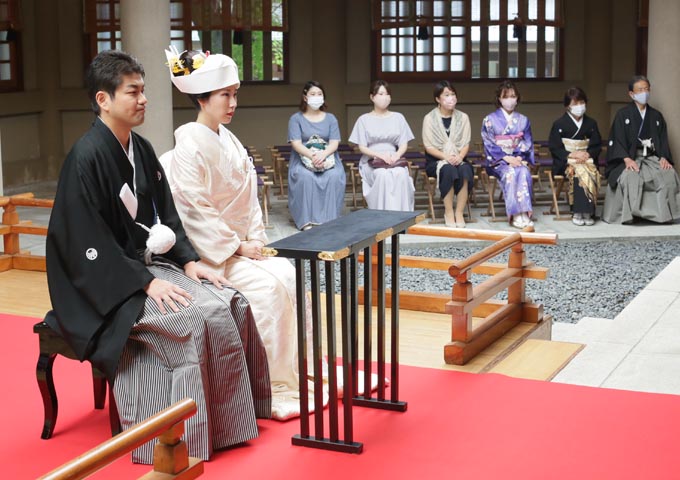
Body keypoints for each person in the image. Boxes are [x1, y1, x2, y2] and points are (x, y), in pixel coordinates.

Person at [45, 50, 271, 464]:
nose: (144, 99)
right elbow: (86, 242)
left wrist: (188, 261)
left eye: (143, 90)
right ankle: (174, 439)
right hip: (102, 282)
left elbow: (167, 212)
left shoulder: (142, 149)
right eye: (133, 92)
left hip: (143, 264)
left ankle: (231, 423)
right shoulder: (85, 158)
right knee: (186, 319)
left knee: (227, 302)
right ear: (103, 100)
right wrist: (145, 282)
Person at [161, 47, 314, 420]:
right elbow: (194, 208)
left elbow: (250, 198)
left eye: (235, 94)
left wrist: (256, 238)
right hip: (212, 255)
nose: (232, 103)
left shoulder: (228, 140)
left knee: (291, 275)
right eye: (224, 95)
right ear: (203, 98)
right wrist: (235, 246)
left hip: (241, 246)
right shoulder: (188, 147)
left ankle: (296, 375)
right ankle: (266, 384)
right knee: (268, 289)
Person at [602, 75, 680, 224]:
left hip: (651, 157)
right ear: (631, 94)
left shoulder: (656, 116)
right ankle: (631, 215)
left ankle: (663, 215)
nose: (644, 92)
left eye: (646, 89)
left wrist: (664, 157)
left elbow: (663, 140)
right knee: (631, 177)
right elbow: (616, 140)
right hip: (629, 158)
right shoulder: (622, 115)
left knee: (668, 174)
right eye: (640, 90)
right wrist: (626, 159)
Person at [287, 81, 347, 230]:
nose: (316, 97)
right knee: (305, 177)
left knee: (334, 176)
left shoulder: (331, 118)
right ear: (305, 97)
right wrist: (312, 156)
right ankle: (306, 220)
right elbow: (296, 143)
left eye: (319, 94)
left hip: (328, 157)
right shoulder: (296, 119)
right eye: (313, 94)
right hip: (303, 159)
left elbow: (334, 142)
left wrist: (323, 155)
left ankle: (330, 219)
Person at [348, 80, 415, 211]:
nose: (384, 97)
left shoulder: (398, 117)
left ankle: (401, 218)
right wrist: (380, 155)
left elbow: (403, 143)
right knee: (382, 175)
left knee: (401, 174)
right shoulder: (363, 119)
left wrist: (396, 155)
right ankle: (383, 217)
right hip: (372, 160)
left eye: (387, 94)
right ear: (372, 97)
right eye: (380, 94)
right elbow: (362, 147)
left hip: (393, 158)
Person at [481, 80, 535, 228]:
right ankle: (515, 214)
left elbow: (527, 142)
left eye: (513, 96)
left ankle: (525, 212)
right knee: (510, 173)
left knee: (524, 172)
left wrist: (519, 156)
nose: (510, 100)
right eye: (506, 96)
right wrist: (506, 157)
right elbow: (489, 143)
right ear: (499, 99)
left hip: (517, 158)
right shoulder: (489, 120)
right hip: (498, 161)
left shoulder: (523, 120)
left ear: (517, 98)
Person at [422, 80, 474, 227]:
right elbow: (429, 146)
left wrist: (460, 157)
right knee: (448, 169)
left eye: (453, 94)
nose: (451, 97)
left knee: (465, 169)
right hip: (436, 161)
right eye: (446, 95)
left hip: (459, 158)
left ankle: (459, 212)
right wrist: (447, 158)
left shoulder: (463, 117)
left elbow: (465, 143)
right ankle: (449, 212)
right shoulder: (429, 119)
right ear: (438, 99)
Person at [548, 87, 602, 226]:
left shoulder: (591, 123)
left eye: (581, 102)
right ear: (567, 106)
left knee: (588, 170)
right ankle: (578, 211)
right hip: (567, 161)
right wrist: (571, 154)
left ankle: (588, 211)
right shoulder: (559, 124)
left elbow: (596, 145)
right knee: (579, 171)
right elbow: (554, 147)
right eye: (575, 104)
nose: (579, 106)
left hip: (586, 159)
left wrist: (587, 154)